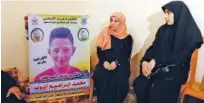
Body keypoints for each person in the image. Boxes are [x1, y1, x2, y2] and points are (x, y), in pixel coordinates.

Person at [133, 1, 203, 103]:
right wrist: (145, 61)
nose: (165, 17)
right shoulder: (163, 30)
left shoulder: (191, 35)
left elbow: (181, 57)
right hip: (158, 68)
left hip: (175, 71)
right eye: (165, 13)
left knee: (157, 88)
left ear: (179, 13)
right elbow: (153, 48)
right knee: (141, 83)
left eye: (168, 13)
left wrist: (156, 61)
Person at [92, 12, 133, 103]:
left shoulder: (127, 37)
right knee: (101, 76)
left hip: (121, 64)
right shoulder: (105, 32)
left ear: (121, 22)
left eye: (116, 21)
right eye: (111, 20)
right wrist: (104, 62)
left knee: (118, 79)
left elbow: (126, 54)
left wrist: (116, 62)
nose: (112, 23)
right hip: (105, 63)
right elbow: (100, 51)